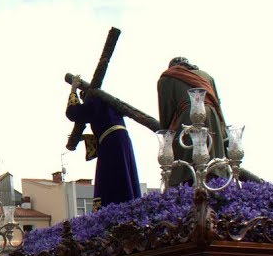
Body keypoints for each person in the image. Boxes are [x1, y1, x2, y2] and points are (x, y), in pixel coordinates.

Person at [65, 82, 142, 207]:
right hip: (122, 141)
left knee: (109, 178)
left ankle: (113, 208)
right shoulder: (109, 102)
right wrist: (83, 138)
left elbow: (73, 112)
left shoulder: (94, 100)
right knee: (126, 175)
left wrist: (73, 90)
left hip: (111, 145)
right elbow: (106, 129)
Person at [156, 57, 226, 189]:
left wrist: (167, 140)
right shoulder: (207, 77)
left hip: (188, 119)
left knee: (185, 165)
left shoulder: (166, 77)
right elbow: (218, 106)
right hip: (213, 119)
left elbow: (166, 112)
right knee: (214, 161)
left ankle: (186, 190)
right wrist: (224, 136)